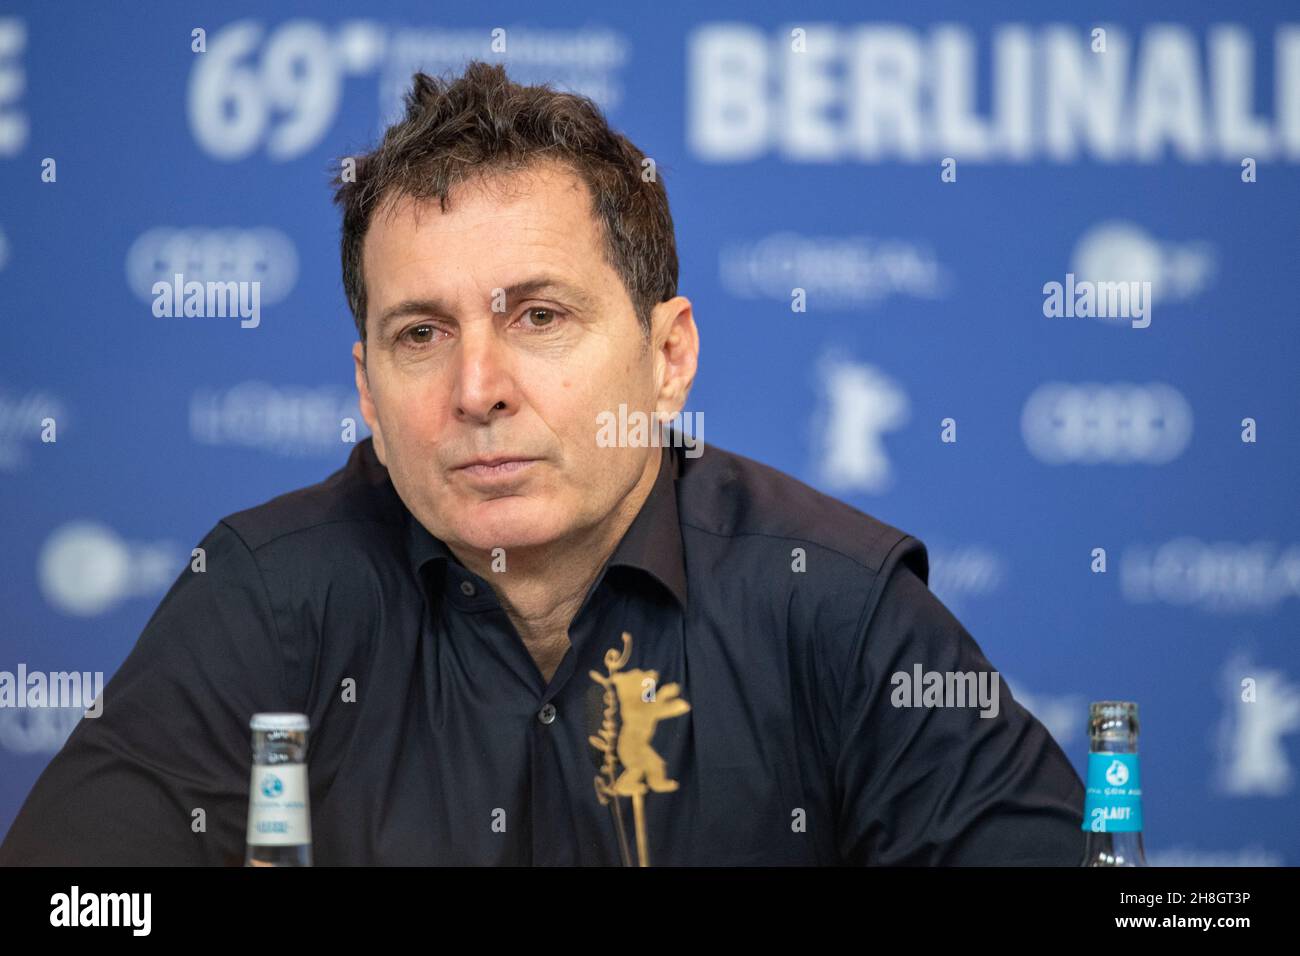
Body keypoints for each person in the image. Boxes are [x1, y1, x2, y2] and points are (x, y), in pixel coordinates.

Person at [0, 62, 1084, 866]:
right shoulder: (267, 594)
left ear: (668, 359)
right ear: (368, 392)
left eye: (539, 315)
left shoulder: (832, 604)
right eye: (420, 334)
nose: (477, 388)